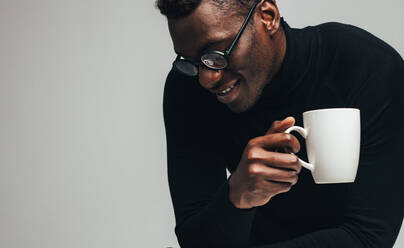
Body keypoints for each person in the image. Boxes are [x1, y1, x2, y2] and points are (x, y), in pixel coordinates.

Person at [156, 0, 404, 247]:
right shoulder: (187, 87)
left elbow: (369, 239)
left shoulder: (367, 66)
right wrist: (236, 197)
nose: (207, 79)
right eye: (192, 62)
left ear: (267, 16)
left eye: (217, 54)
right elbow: (195, 241)